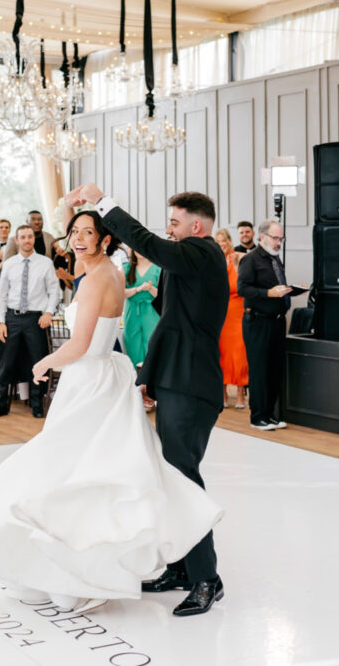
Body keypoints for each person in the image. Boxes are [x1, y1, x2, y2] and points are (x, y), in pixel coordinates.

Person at [0, 209, 222, 613]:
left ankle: (204, 576)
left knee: (160, 474)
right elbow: (150, 318)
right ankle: (177, 567)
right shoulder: (111, 273)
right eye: (74, 232)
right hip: (113, 376)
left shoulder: (191, 255)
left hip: (119, 378)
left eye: (88, 232)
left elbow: (85, 342)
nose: (78, 238)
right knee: (111, 471)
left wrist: (44, 363)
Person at [73, 183, 229, 617]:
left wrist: (104, 203)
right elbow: (171, 323)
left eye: (175, 222)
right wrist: (150, 376)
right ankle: (181, 568)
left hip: (195, 385)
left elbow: (147, 243)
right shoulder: (189, 264)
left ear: (196, 225)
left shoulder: (202, 252)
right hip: (177, 379)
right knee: (170, 476)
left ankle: (207, 579)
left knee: (183, 478)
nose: (169, 229)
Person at [0, 225, 60, 419]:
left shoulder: (45, 263)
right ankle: (2, 404)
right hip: (11, 318)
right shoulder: (10, 263)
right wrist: (1, 321)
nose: (27, 240)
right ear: (17, 240)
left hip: (35, 319)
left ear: (33, 239)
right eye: (23, 237)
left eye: (30, 237)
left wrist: (48, 312)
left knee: (37, 361)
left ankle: (37, 405)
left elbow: (55, 291)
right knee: (5, 363)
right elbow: (1, 294)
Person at [237, 219, 292, 431]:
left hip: (276, 321)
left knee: (274, 370)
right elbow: (243, 289)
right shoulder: (250, 260)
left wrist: (291, 290)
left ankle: (270, 415)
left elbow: (276, 287)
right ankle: (258, 417)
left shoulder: (276, 260)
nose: (279, 242)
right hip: (257, 321)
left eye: (281, 239)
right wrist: (268, 293)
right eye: (275, 238)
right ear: (262, 237)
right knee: (260, 370)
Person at [215, 228, 248, 409]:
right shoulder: (213, 261)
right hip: (220, 312)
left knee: (239, 353)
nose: (222, 244)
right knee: (222, 353)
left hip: (238, 310)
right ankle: (223, 393)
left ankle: (241, 393)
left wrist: (235, 265)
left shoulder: (240, 257)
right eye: (218, 242)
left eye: (224, 241)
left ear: (229, 241)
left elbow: (245, 282)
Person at [121, 246, 161, 369]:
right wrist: (137, 289)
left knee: (152, 344)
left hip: (152, 311)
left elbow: (163, 295)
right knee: (132, 344)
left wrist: (150, 288)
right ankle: (135, 380)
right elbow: (120, 293)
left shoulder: (158, 268)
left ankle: (151, 381)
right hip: (132, 311)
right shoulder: (126, 268)